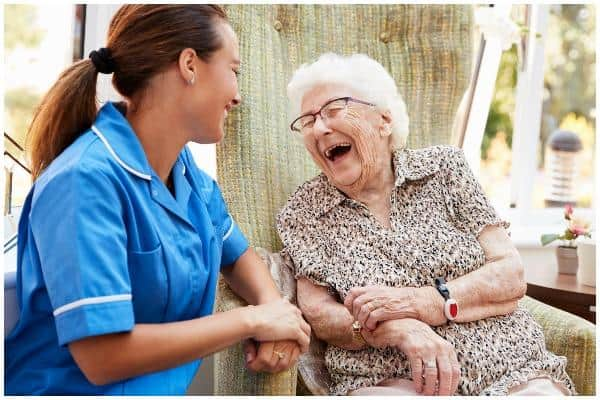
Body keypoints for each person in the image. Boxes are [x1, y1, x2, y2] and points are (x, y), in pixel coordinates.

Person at [5, 5, 310, 395]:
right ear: (189, 65)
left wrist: (275, 310)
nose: (238, 95)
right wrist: (253, 321)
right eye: (234, 71)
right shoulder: (84, 182)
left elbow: (236, 253)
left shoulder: (183, 170)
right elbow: (103, 357)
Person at [276, 52, 575, 396]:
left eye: (332, 110)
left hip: (510, 368)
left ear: (384, 120)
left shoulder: (445, 169)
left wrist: (423, 303)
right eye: (308, 120)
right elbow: (321, 315)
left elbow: (509, 274)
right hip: (390, 378)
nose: (320, 128)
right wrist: (401, 329)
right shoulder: (304, 211)